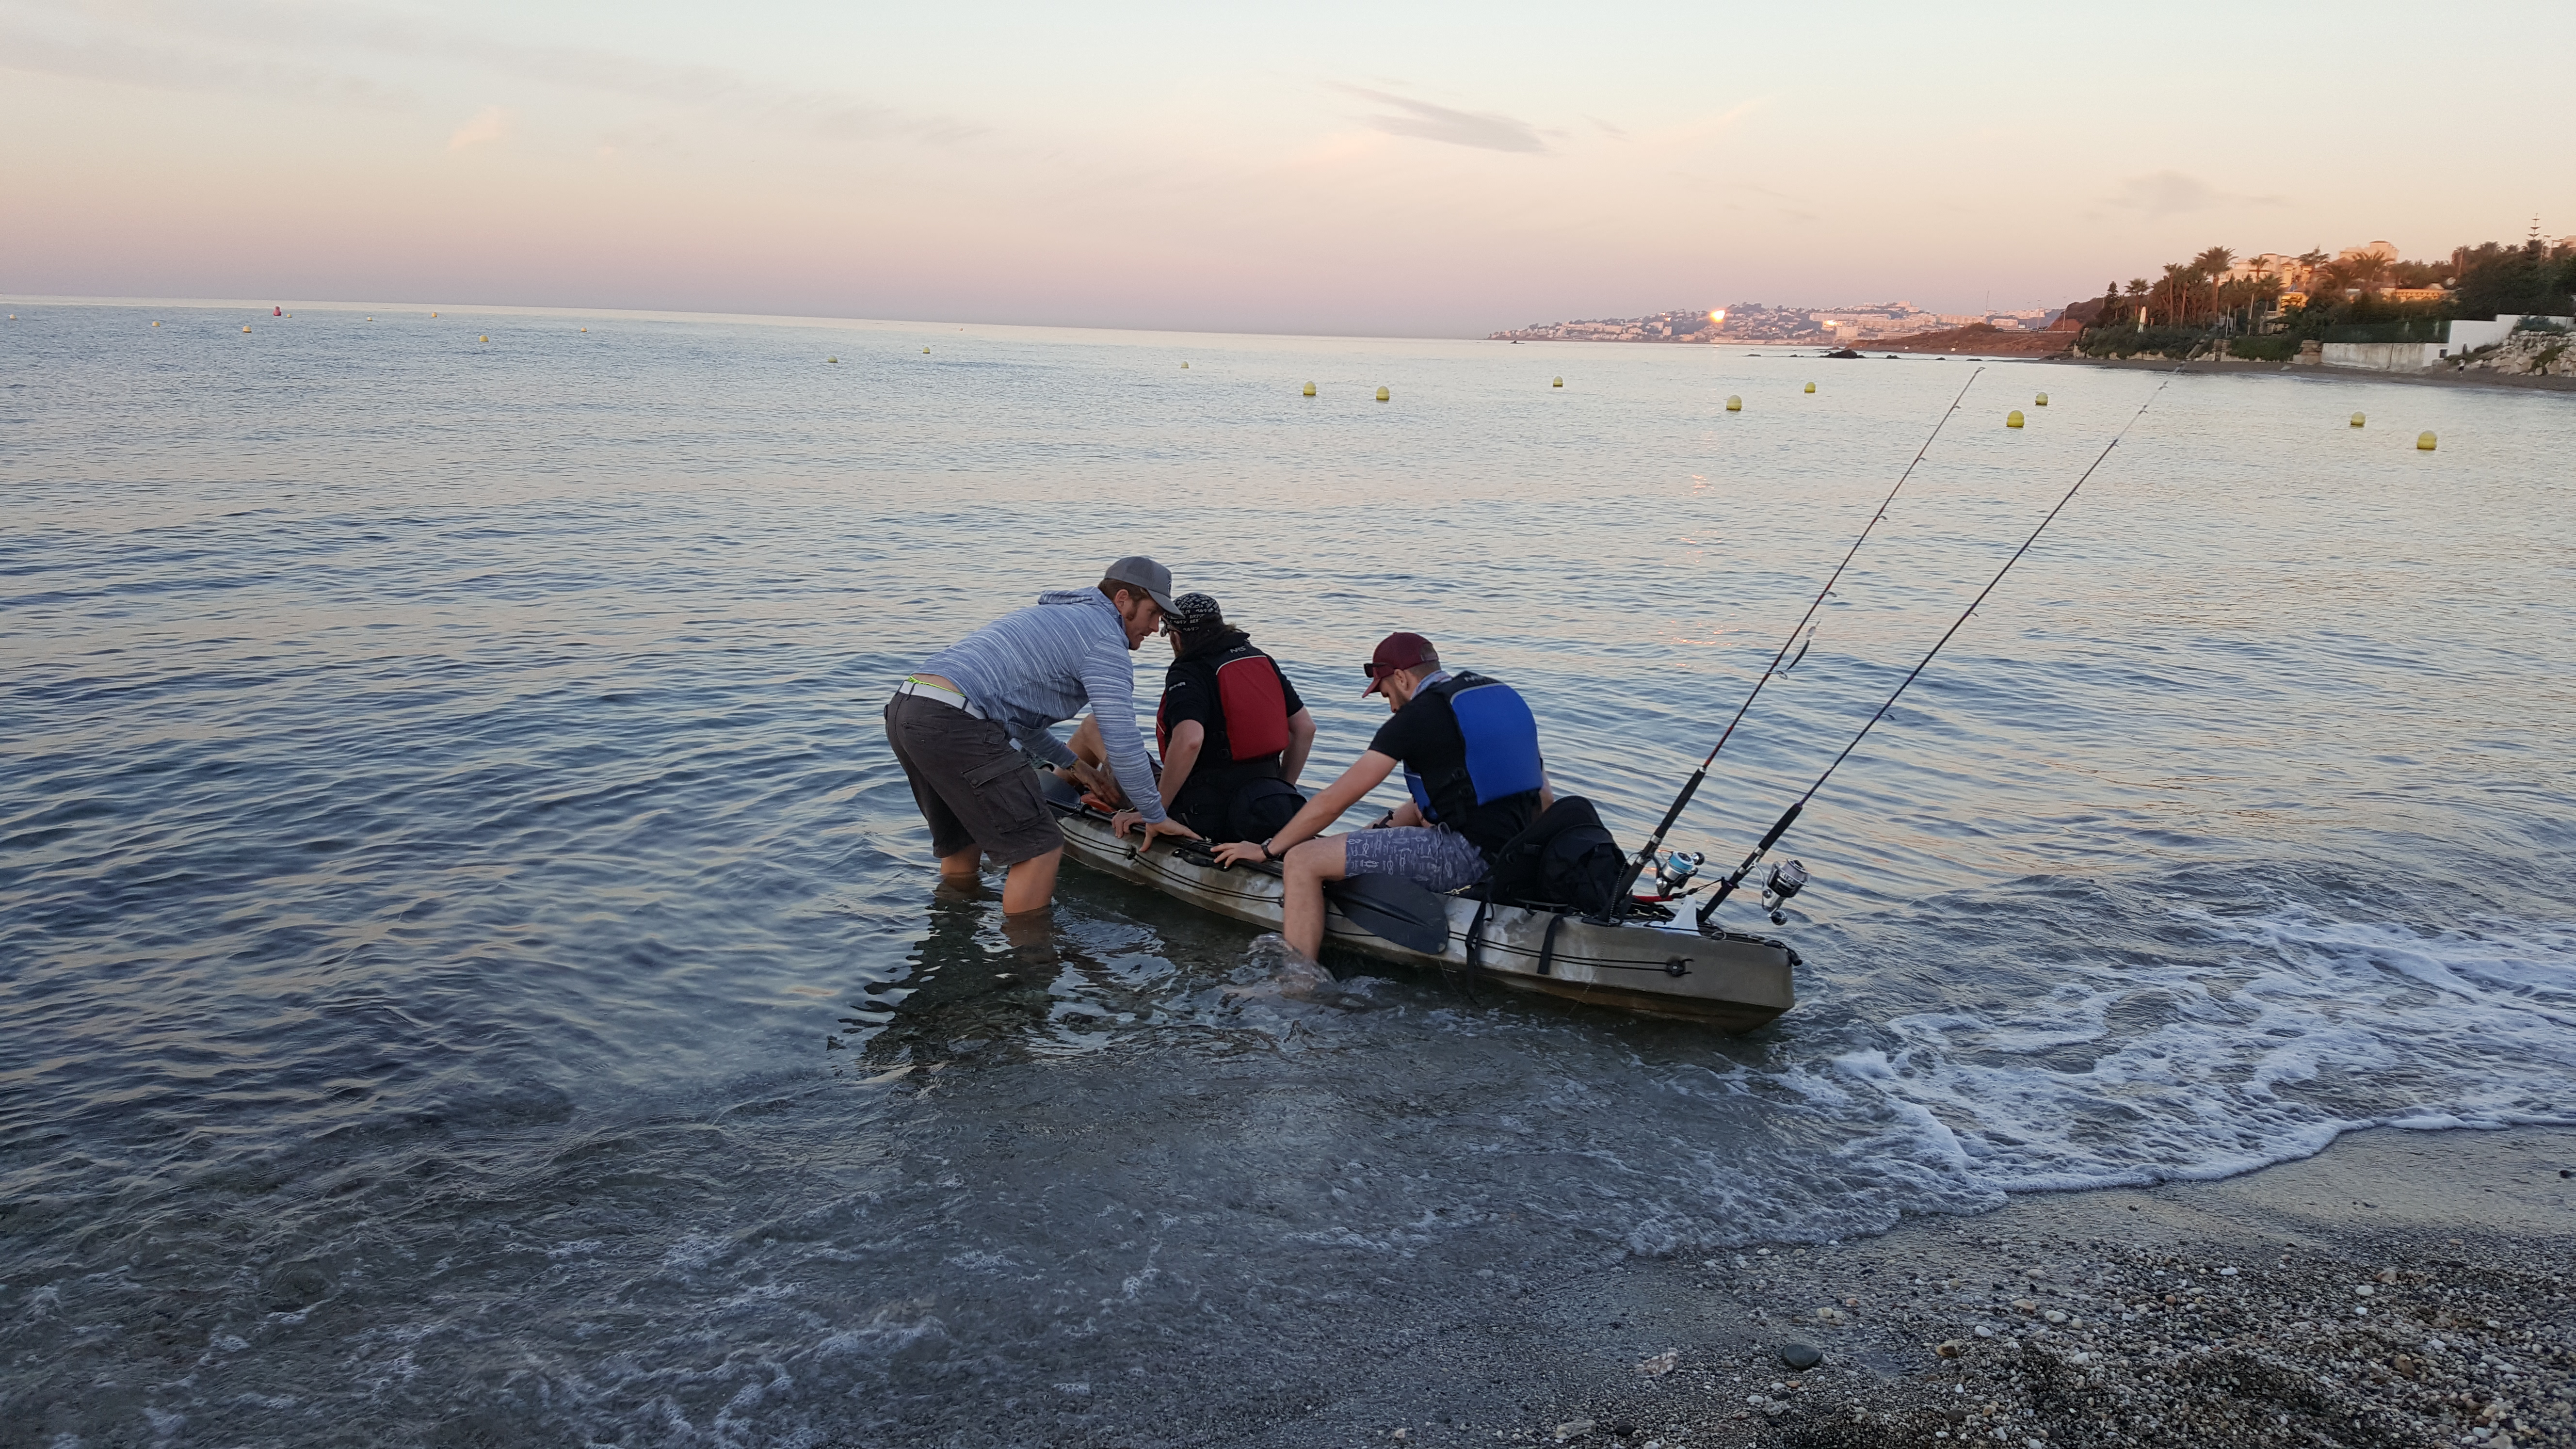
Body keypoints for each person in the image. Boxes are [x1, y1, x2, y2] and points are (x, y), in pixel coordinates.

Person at [885, 556, 1200, 916]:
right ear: (1123, 600)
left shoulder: (1057, 618)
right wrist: (1155, 815)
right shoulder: (1104, 640)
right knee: (1040, 846)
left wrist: (1075, 766)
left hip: (908, 707)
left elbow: (1017, 722)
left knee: (963, 841)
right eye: (1153, 613)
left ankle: (956, 932)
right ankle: (1029, 963)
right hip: (954, 720)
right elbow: (1122, 741)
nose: (1154, 627)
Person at [1213, 631, 1551, 960]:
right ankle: (1344, 853)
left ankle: (1296, 982)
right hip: (1515, 852)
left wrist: (1268, 848)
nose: (1390, 707)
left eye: (1386, 694)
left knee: (1303, 860)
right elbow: (1544, 797)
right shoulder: (1496, 696)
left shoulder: (1417, 717)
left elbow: (1336, 799)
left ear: (1402, 678)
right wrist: (1357, 843)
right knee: (1409, 815)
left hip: (1465, 858)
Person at [1065, 592, 1318, 843]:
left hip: (1201, 815)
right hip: (1266, 807)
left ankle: (1051, 797)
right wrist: (1283, 789)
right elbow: (1305, 729)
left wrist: (1157, 811)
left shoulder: (1189, 670)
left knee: (1093, 726)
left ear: (1176, 636)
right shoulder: (1260, 660)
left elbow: (1190, 740)